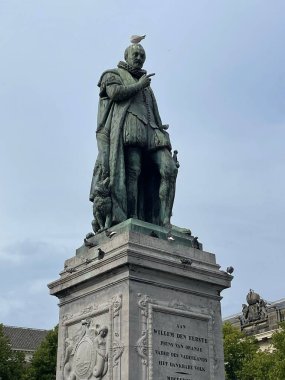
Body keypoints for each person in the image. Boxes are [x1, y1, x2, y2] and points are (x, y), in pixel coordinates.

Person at [90, 43, 178, 231]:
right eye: (135, 54)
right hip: (130, 125)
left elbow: (152, 110)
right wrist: (139, 85)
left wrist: (161, 127)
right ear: (127, 56)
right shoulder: (112, 74)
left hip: (152, 129)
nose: (138, 57)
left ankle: (165, 222)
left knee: (169, 169)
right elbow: (114, 94)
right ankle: (132, 216)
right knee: (133, 171)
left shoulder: (146, 85)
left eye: (142, 55)